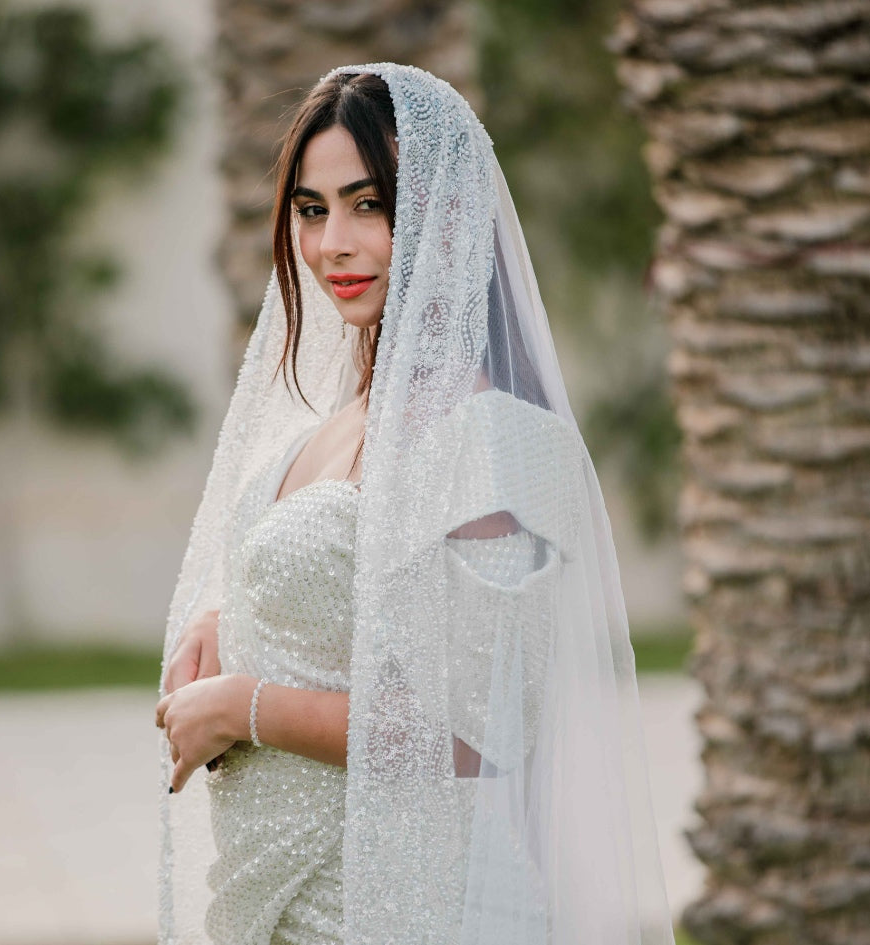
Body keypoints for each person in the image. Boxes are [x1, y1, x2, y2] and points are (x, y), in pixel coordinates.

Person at [156, 63, 674, 945]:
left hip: (416, 908)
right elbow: (337, 585)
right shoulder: (333, 425)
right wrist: (225, 612)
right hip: (282, 904)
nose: (333, 246)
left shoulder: (493, 440)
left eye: (369, 204)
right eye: (313, 211)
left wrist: (242, 706)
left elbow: (481, 729)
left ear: (451, 218)